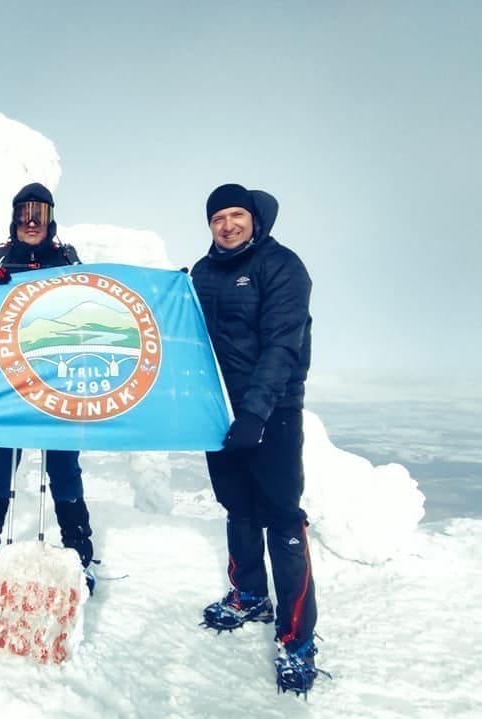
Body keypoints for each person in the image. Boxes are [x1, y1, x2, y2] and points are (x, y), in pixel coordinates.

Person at [191, 183, 320, 696]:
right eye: (217, 218)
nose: (227, 225)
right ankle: (249, 595)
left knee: (281, 517)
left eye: (236, 215)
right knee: (238, 508)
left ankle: (297, 639)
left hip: (273, 412)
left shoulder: (281, 266)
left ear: (253, 219)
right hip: (221, 413)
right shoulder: (202, 272)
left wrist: (256, 412)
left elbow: (282, 345)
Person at [0, 182, 96, 592]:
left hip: (56, 384)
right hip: (5, 384)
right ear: (14, 218)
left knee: (64, 467)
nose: (31, 222)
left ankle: (79, 553)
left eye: (40, 213)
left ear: (51, 219)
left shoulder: (67, 259)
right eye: (24, 213)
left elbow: (93, 305)